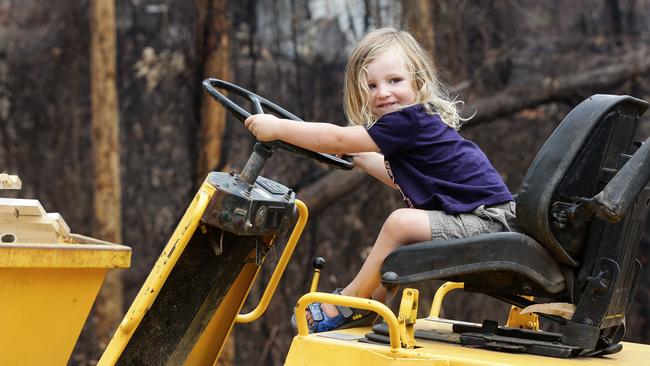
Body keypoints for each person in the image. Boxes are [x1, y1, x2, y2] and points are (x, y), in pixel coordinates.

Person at [244, 27, 517, 333]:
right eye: (371, 86)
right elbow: (397, 177)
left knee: (400, 224)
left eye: (394, 81)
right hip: (483, 217)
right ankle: (369, 305)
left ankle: (349, 301)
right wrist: (359, 158)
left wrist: (277, 129)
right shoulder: (414, 125)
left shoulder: (407, 121)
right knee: (403, 232)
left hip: (490, 221)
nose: (383, 93)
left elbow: (336, 138)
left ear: (419, 81)